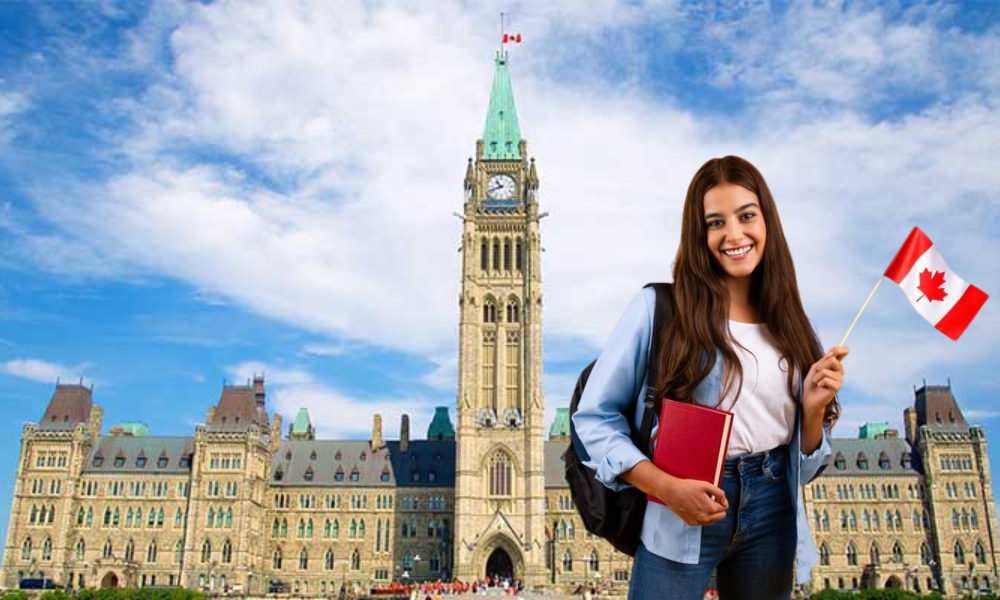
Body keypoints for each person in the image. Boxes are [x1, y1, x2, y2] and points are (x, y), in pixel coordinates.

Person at [573, 156, 848, 600]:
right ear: (698, 235)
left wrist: (813, 413)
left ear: (766, 222)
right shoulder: (658, 308)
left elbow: (807, 464)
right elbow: (593, 419)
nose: (734, 235)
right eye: (716, 222)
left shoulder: (795, 325)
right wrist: (666, 488)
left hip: (774, 510)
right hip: (680, 508)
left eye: (746, 216)